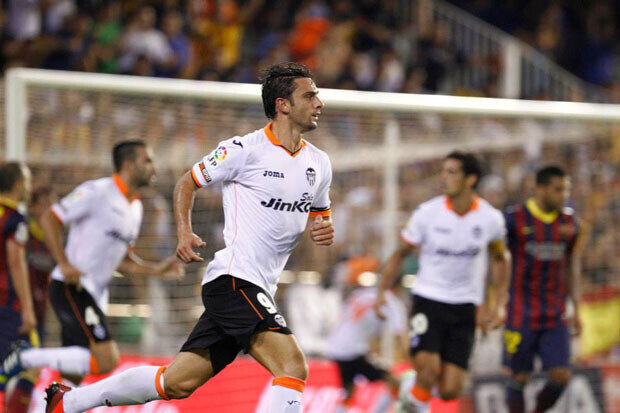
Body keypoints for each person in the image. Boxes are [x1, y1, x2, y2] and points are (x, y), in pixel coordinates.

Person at [43, 61, 334, 413]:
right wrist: (184, 230)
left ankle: (68, 402)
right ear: (282, 105)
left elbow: (320, 215)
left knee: (177, 383)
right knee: (292, 366)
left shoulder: (319, 163)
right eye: (310, 95)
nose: (319, 102)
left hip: (259, 286)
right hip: (234, 280)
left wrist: (323, 228)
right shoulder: (243, 150)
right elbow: (188, 182)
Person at [1, 141, 184, 392]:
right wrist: (64, 264)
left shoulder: (136, 208)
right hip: (71, 286)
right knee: (107, 359)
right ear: (129, 165)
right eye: (148, 160)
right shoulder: (97, 191)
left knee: (71, 379)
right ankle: (23, 357)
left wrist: (156, 269)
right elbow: (50, 218)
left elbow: (122, 259)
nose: (153, 167)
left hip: (95, 296)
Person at [374, 152, 511, 413]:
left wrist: (499, 303)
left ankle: (409, 388)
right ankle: (414, 398)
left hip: (465, 307)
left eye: (451, 172)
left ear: (470, 179)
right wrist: (381, 292)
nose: (443, 177)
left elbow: (501, 258)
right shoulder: (428, 213)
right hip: (429, 301)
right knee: (427, 371)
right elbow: (400, 253)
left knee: (450, 391)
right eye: (443, 171)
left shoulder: (489, 219)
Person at [503, 166, 586, 413]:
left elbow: (572, 266)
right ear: (540, 188)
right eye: (558, 189)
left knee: (561, 374)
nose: (564, 195)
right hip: (520, 311)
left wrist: (577, 309)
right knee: (518, 377)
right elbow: (497, 261)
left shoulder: (570, 222)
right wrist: (493, 303)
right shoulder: (513, 219)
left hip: (554, 312)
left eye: (566, 190)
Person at [5, 187, 57, 413]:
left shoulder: (54, 238)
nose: (49, 208)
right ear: (34, 206)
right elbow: (15, 267)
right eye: (44, 203)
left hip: (39, 312)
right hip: (17, 310)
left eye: (52, 203)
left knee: (29, 368)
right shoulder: (22, 232)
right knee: (27, 366)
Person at [326, 281, 408, 412]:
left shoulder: (362, 293)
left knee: (348, 389)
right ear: (398, 288)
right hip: (354, 350)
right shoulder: (392, 302)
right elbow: (400, 334)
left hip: (336, 346)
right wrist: (410, 359)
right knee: (393, 381)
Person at [0, 162, 38, 411]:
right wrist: (27, 309)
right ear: (17, 184)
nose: (29, 186)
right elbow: (16, 263)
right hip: (7, 305)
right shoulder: (15, 219)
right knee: (32, 361)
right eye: (27, 181)